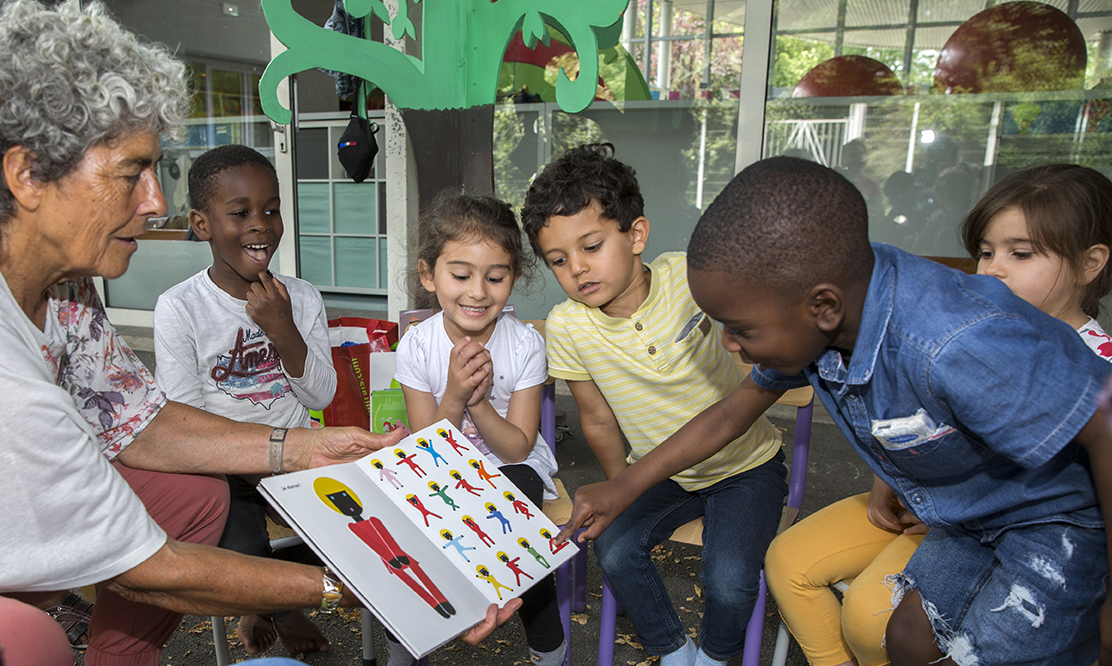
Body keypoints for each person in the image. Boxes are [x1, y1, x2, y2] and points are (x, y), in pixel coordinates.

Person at [0, 2, 516, 664]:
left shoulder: (69, 291)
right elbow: (143, 565)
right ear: (27, 175)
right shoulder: (15, 375)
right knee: (33, 642)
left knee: (192, 494)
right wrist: (370, 585)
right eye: (131, 173)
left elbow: (140, 424)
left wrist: (306, 447)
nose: (156, 201)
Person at [561, 156, 1112, 666]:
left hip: (1058, 521)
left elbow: (1105, 422)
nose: (728, 344)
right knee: (908, 636)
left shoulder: (950, 341)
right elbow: (730, 415)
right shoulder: (822, 308)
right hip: (970, 513)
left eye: (742, 330)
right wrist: (623, 486)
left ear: (822, 307)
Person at [764, 162, 1112, 666]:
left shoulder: (1095, 364)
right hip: (950, 513)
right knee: (868, 608)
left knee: (874, 618)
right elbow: (919, 421)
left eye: (1021, 254)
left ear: (1090, 263)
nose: (993, 269)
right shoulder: (970, 332)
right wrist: (893, 480)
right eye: (986, 252)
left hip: (1040, 529)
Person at [520, 144, 786, 666]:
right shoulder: (568, 325)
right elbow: (597, 417)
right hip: (658, 472)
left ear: (636, 235)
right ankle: (673, 649)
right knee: (614, 548)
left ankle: (715, 656)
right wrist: (620, 485)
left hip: (746, 467)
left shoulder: (689, 278)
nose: (577, 268)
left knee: (729, 580)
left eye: (591, 246)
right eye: (558, 260)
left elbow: (762, 336)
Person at [153, 145, 336, 655]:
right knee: (238, 548)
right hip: (223, 464)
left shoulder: (301, 297)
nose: (261, 224)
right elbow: (185, 418)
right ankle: (283, 607)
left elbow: (322, 392)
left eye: (271, 209)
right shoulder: (180, 307)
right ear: (202, 224)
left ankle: (262, 598)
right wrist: (251, 461)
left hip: (299, 452)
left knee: (356, 534)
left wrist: (283, 330)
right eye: (240, 213)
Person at [392, 193, 565, 666]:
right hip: (437, 465)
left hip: (510, 466)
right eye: (461, 275)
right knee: (403, 531)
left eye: (495, 277)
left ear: (515, 277)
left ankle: (548, 650)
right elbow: (426, 452)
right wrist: (453, 395)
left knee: (523, 527)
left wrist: (478, 400)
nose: (478, 293)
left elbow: (516, 449)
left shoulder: (525, 344)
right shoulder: (417, 346)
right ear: (429, 275)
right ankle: (403, 648)